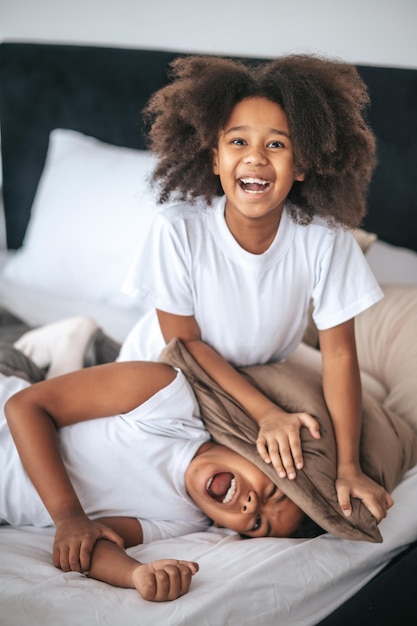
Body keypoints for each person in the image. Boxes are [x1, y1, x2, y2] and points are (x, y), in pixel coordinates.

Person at [117, 54, 391, 521]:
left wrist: (349, 467)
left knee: (372, 391)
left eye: (277, 145)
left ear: (302, 165)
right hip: (167, 370)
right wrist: (266, 413)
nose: (256, 157)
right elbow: (184, 343)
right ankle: (76, 344)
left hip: (258, 364)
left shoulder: (325, 239)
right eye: (238, 140)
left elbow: (340, 355)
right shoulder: (177, 230)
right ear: (215, 157)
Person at [1, 351, 307, 602]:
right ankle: (74, 345)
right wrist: (69, 515)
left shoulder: (185, 522)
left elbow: (90, 540)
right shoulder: (166, 396)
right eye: (272, 493)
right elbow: (25, 406)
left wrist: (135, 573)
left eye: (256, 524)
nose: (252, 506)